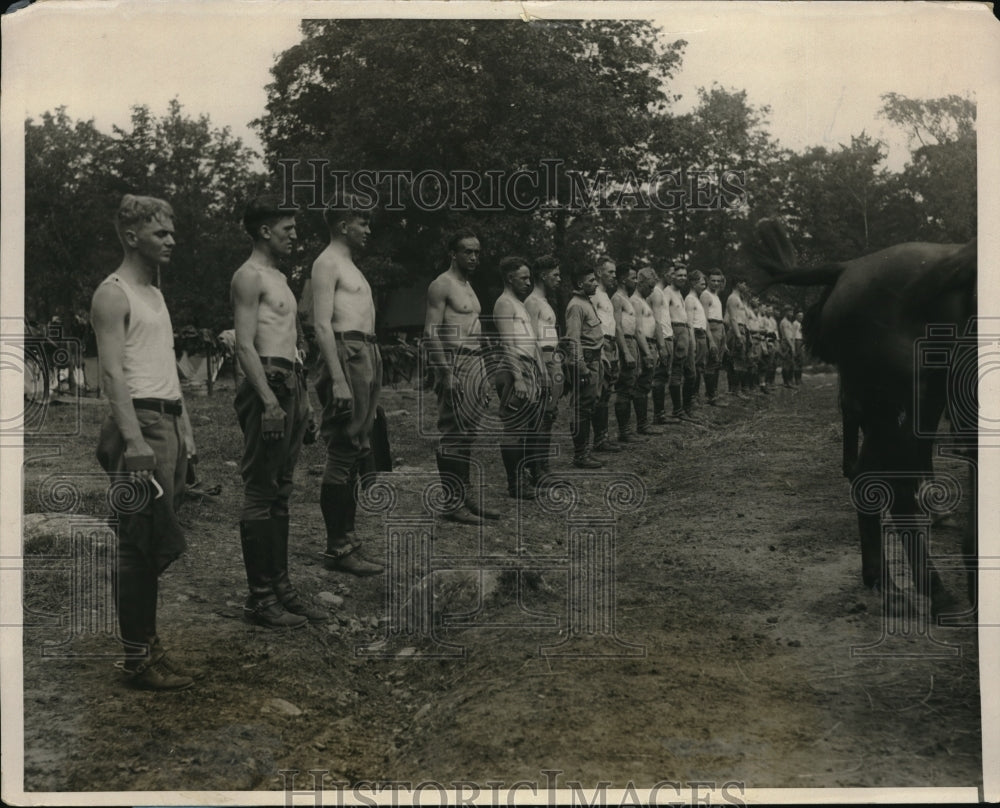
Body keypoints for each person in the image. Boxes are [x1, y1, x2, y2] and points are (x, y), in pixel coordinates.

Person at [91, 194, 196, 690]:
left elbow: (163, 363)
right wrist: (133, 439)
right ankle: (136, 659)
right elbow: (112, 374)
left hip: (167, 420)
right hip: (139, 424)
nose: (171, 240)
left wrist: (186, 428)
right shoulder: (112, 294)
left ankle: (150, 645)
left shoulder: (155, 292)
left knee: (152, 539)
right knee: (135, 543)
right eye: (161, 233)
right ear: (132, 236)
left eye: (172, 233)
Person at [231, 196, 327, 628]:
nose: (294, 234)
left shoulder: (280, 277)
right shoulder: (249, 277)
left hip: (291, 381)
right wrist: (268, 400)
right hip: (268, 383)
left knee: (283, 488)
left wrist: (300, 400)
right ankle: (260, 597)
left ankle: (281, 587)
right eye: (287, 228)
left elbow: (289, 337)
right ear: (265, 230)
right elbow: (245, 342)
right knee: (261, 489)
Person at [312, 195, 384, 576]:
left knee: (358, 448)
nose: (368, 230)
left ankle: (350, 539)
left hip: (367, 352)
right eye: (363, 223)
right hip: (347, 353)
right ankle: (337, 548)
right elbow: (322, 324)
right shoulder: (326, 263)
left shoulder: (349, 265)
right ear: (343, 225)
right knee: (343, 449)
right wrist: (338, 377)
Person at [424, 229, 500, 525]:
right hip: (455, 362)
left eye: (477, 252)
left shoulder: (469, 286)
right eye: (467, 251)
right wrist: (445, 372)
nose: (474, 257)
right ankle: (451, 502)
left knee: (468, 432)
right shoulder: (441, 285)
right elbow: (430, 332)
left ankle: (465, 495)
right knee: (453, 432)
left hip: (475, 363)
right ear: (452, 254)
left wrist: (485, 371)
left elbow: (475, 329)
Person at [493, 256, 547, 498]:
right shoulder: (504, 303)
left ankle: (525, 477)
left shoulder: (520, 304)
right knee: (514, 427)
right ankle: (515, 484)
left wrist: (541, 372)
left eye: (529, 278)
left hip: (529, 367)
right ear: (509, 278)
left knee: (529, 427)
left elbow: (532, 341)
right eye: (523, 278)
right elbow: (507, 343)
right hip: (514, 368)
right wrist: (518, 378)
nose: (528, 282)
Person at [525, 255, 563, 477]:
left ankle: (543, 466)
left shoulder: (545, 301)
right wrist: (542, 372)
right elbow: (531, 339)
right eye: (555, 275)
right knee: (541, 414)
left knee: (549, 414)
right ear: (543, 275)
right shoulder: (532, 302)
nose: (559, 279)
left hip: (552, 358)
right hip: (542, 360)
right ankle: (536, 469)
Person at [564, 266, 604, 469]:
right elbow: (573, 340)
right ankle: (580, 455)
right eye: (591, 280)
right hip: (585, 362)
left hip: (594, 360)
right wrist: (581, 368)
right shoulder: (576, 306)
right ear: (580, 284)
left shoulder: (586, 302)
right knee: (581, 409)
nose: (596, 283)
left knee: (589, 406)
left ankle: (585, 451)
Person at [590, 255, 626, 452]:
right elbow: (593, 325)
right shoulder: (594, 294)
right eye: (610, 272)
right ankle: (598, 440)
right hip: (601, 345)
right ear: (598, 273)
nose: (614, 276)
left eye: (614, 272)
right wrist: (601, 349)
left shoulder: (606, 295)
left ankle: (602, 437)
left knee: (607, 393)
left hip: (611, 344)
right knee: (599, 392)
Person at [612, 264, 643, 442]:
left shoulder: (628, 299)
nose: (636, 281)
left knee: (631, 385)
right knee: (624, 387)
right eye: (633, 277)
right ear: (624, 279)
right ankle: (624, 431)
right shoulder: (617, 298)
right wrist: (625, 352)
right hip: (625, 343)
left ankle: (628, 430)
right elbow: (617, 326)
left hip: (632, 342)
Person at [630, 267, 663, 435]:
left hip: (650, 344)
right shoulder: (635, 301)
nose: (651, 291)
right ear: (640, 283)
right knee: (641, 385)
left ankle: (643, 423)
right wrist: (647, 352)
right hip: (643, 345)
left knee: (646, 383)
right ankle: (641, 425)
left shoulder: (644, 300)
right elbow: (638, 329)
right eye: (649, 286)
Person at [665, 263, 697, 420]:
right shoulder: (667, 292)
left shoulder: (679, 294)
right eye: (679, 275)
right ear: (672, 276)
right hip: (676, 331)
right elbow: (664, 316)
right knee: (677, 371)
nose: (683, 278)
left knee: (691, 372)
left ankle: (687, 408)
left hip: (685, 331)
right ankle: (677, 410)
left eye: (685, 275)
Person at [684, 270, 715, 410]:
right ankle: (691, 398)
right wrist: (693, 342)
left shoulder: (697, 298)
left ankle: (695, 396)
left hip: (702, 334)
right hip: (696, 334)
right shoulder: (690, 299)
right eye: (700, 283)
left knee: (700, 367)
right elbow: (689, 322)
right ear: (692, 283)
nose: (703, 286)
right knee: (694, 368)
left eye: (704, 284)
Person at [648, 265, 675, 424]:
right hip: (662, 338)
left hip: (667, 337)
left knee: (664, 376)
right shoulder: (657, 293)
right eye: (671, 273)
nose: (673, 276)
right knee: (659, 377)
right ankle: (658, 415)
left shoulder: (662, 293)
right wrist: (661, 345)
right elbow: (656, 321)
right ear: (664, 274)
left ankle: (661, 413)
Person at [701, 269, 728, 406]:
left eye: (718, 281)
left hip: (720, 328)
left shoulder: (716, 295)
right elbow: (704, 319)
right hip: (711, 327)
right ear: (707, 280)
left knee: (717, 363)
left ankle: (714, 394)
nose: (716, 283)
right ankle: (711, 396)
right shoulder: (705, 295)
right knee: (711, 363)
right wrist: (710, 339)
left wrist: (723, 337)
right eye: (713, 280)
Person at [724, 280, 751, 398]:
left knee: (740, 359)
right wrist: (738, 335)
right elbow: (732, 319)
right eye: (744, 283)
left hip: (741, 329)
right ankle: (736, 390)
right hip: (737, 330)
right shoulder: (733, 298)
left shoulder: (738, 298)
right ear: (738, 284)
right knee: (737, 360)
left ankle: (735, 389)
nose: (746, 286)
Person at [779, 305, 797, 389]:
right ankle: (786, 382)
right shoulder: (784, 322)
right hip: (786, 343)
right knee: (786, 362)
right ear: (785, 312)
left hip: (790, 342)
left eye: (792, 312)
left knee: (791, 363)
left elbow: (792, 335)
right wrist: (791, 346)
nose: (791, 314)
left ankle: (790, 381)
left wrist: (793, 344)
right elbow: (786, 335)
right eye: (790, 312)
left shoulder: (789, 322)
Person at [793, 309, 805, 386]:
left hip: (801, 341)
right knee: (797, 360)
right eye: (799, 316)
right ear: (796, 316)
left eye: (802, 316)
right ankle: (797, 379)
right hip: (797, 341)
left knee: (801, 360)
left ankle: (800, 379)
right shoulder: (795, 323)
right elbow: (793, 334)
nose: (801, 317)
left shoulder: (802, 324)